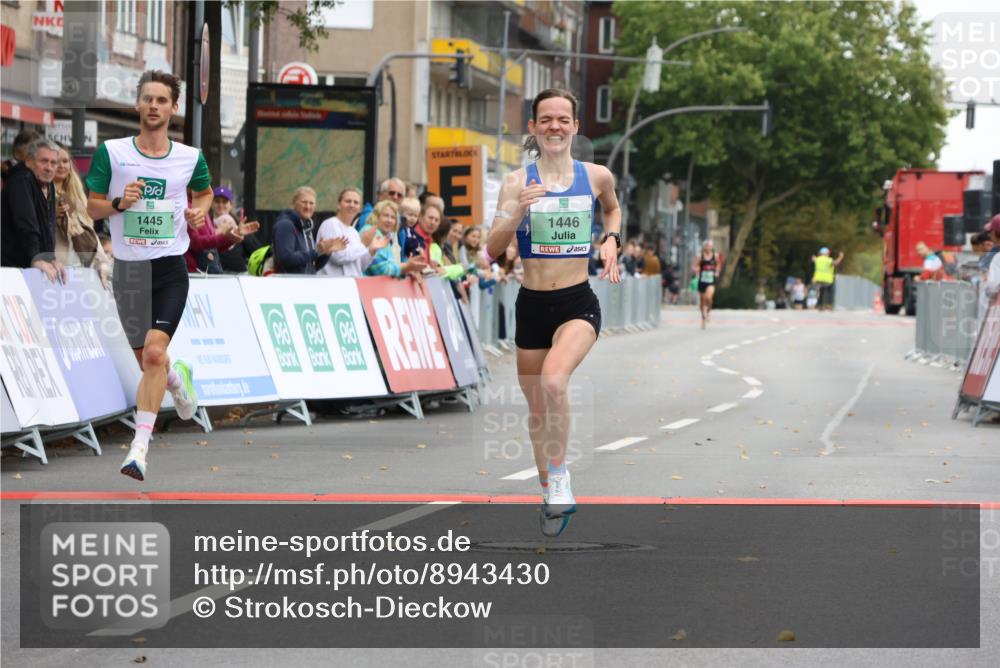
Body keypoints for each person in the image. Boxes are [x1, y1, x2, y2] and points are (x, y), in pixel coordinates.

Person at [484, 88, 621, 537]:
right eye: (546, 120)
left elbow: (613, 209)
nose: (555, 127)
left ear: (576, 127)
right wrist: (518, 211)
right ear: (533, 128)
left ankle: (560, 473)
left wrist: (611, 240)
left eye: (564, 119)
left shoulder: (596, 175)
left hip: (578, 303)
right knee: (538, 411)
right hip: (532, 305)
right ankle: (547, 487)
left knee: (554, 380)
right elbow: (492, 249)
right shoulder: (514, 182)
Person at [85, 70, 212, 481]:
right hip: (130, 272)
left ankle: (138, 449)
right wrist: (120, 203)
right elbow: (92, 208)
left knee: (154, 353)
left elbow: (205, 191)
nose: (154, 106)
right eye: (148, 99)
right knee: (149, 363)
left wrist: (201, 210)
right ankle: (178, 379)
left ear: (174, 108)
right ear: (137, 105)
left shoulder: (190, 157)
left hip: (171, 268)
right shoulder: (113, 151)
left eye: (162, 100)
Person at [1, 137, 64, 282]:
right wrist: (36, 257)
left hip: (29, 268)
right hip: (11, 269)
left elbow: (48, 227)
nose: (49, 167)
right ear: (29, 161)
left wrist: (51, 259)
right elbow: (26, 224)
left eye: (53, 162)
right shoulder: (21, 179)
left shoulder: (47, 183)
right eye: (43, 161)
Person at [53, 144, 111, 285]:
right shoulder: (42, 194)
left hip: (79, 269)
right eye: (56, 161)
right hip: (54, 269)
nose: (61, 166)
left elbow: (87, 232)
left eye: (65, 161)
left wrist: (102, 262)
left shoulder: (74, 196)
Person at [272, 186, 347, 274]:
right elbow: (286, 258)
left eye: (311, 203)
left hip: (306, 284)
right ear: (293, 204)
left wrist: (326, 252)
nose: (308, 206)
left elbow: (313, 267)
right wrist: (317, 251)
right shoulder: (285, 225)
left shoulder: (306, 227)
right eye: (304, 202)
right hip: (289, 285)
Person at [184, 186, 255, 274]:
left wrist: (233, 236)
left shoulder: (201, 209)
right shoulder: (188, 207)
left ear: (231, 205)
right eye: (217, 201)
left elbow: (212, 249)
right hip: (196, 273)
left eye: (224, 202)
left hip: (218, 273)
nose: (221, 205)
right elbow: (195, 242)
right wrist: (223, 235)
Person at [317, 187, 385, 277]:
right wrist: (363, 244)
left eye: (356, 202)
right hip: (332, 286)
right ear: (338, 205)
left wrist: (371, 250)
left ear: (360, 209)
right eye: (348, 201)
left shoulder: (354, 232)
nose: (352, 205)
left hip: (351, 286)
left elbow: (359, 266)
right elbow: (338, 257)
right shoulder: (330, 224)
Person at [363, 200, 425, 278]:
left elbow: (391, 265)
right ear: (376, 216)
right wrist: (406, 267)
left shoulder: (384, 236)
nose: (389, 220)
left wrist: (408, 270)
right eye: (386, 215)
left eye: (393, 217)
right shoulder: (371, 231)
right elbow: (380, 270)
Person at [694, 240, 722, 328]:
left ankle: (709, 312)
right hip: (702, 280)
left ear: (712, 247)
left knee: (709, 297)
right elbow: (695, 266)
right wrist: (697, 269)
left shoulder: (715, 256)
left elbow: (718, 265)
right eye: (706, 246)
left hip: (711, 281)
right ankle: (703, 317)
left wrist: (717, 271)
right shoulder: (700, 256)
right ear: (704, 247)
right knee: (702, 301)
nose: (708, 248)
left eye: (709, 246)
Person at [810, 246, 843, 311]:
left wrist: (813, 257)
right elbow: (836, 263)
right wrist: (840, 257)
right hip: (828, 279)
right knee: (831, 292)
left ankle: (820, 305)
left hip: (818, 279)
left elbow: (813, 259)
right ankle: (829, 305)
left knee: (821, 292)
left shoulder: (818, 259)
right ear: (827, 253)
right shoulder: (829, 260)